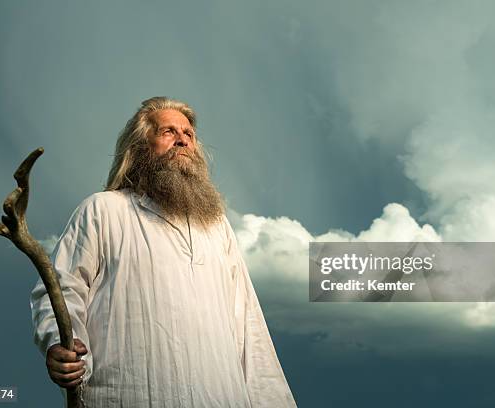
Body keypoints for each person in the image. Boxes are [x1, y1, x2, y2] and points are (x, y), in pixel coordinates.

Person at [30, 97, 297, 407]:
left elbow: (248, 324)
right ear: (141, 147)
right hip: (129, 396)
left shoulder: (216, 226)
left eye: (189, 134)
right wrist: (60, 346)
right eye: (168, 131)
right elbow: (60, 291)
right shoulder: (103, 210)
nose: (182, 139)